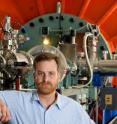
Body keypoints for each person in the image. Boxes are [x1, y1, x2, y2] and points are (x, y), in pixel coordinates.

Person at [0, 52, 95, 124]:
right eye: (41, 73)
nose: (46, 79)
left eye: (51, 73)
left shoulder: (73, 108)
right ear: (34, 76)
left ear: (59, 76)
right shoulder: (17, 101)